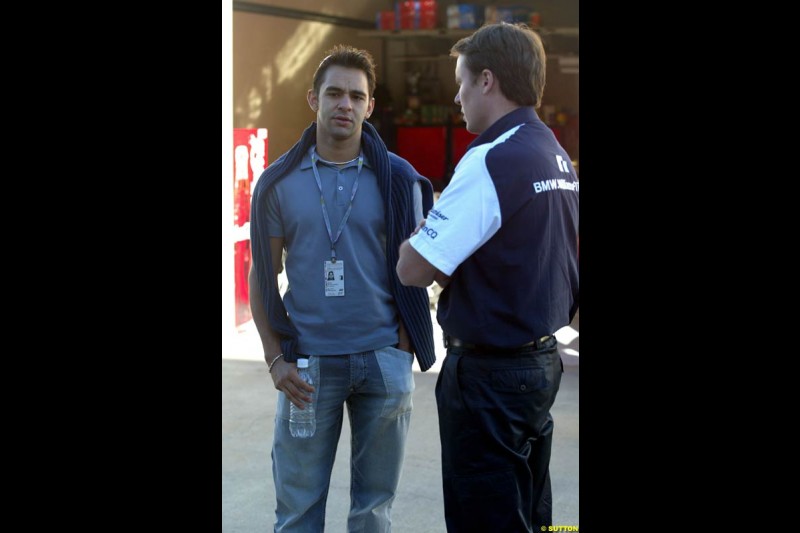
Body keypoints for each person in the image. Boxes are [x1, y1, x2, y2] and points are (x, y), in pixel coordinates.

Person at [396, 23, 579, 532]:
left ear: (487, 81)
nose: (456, 96)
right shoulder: (554, 154)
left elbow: (413, 268)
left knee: (485, 518)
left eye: (461, 81)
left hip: (489, 379)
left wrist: (417, 236)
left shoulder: (491, 161)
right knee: (527, 514)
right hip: (539, 367)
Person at [248, 44, 436, 532]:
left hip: (382, 360)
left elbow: (419, 268)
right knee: (297, 512)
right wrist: (275, 357)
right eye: (334, 93)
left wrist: (404, 348)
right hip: (306, 368)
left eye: (356, 96)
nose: (345, 105)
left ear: (371, 105)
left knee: (374, 511)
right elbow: (261, 275)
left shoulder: (398, 178)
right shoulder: (278, 182)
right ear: (314, 99)